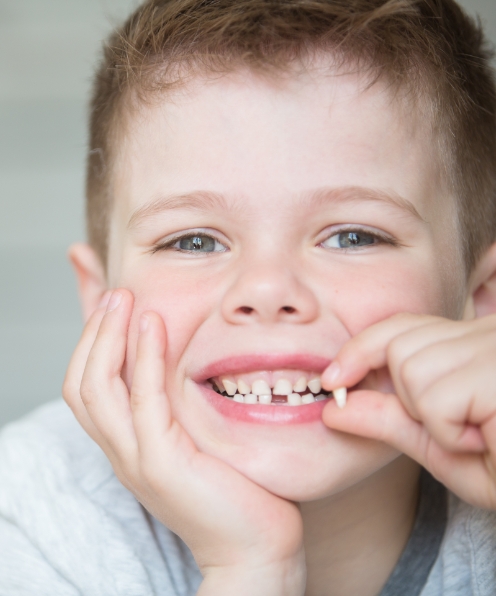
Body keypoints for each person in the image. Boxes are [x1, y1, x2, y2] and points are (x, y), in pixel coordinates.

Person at [1, 0, 496, 594]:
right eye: (193, 241)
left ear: (481, 298)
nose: (265, 290)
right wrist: (252, 568)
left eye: (353, 236)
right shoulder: (30, 520)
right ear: (100, 300)